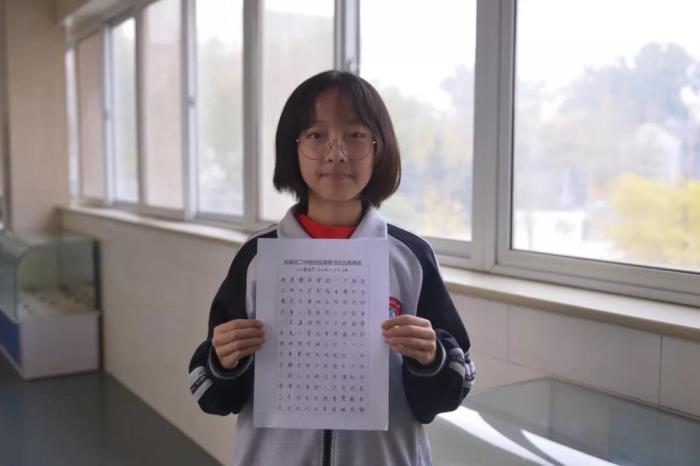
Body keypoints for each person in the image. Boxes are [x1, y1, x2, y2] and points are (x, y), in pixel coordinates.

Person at [188, 70, 476, 466]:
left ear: (380, 147)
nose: (336, 153)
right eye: (316, 135)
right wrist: (223, 361)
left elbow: (453, 387)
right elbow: (212, 395)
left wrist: (432, 358)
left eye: (355, 134)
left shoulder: (410, 257)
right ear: (292, 148)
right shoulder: (258, 258)